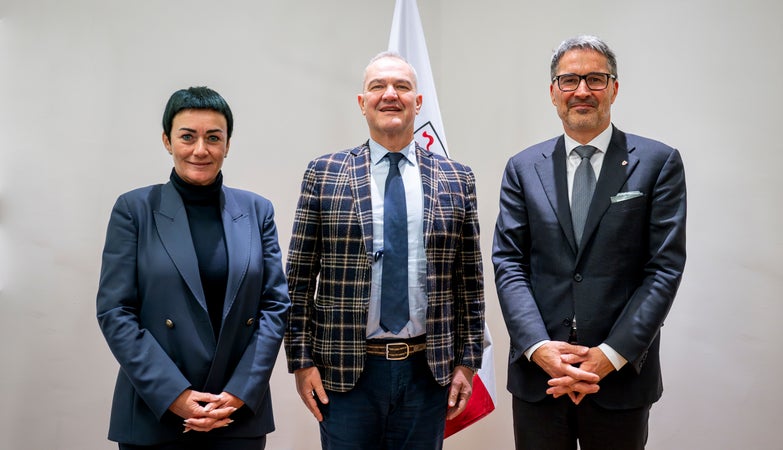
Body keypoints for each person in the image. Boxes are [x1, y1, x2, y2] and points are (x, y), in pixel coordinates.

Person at [493, 35, 687, 450]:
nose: (582, 90)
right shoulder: (523, 168)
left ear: (614, 88)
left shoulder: (657, 163)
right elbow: (509, 264)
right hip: (540, 377)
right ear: (553, 93)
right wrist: (539, 348)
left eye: (595, 79)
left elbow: (663, 269)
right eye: (569, 80)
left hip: (619, 378)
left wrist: (610, 355)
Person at [284, 52, 485, 450]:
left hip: (428, 372)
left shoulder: (456, 178)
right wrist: (301, 360)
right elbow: (298, 279)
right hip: (344, 374)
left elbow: (470, 283)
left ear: (418, 102)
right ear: (363, 103)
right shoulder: (324, 174)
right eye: (378, 86)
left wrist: (468, 361)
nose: (390, 94)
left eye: (402, 87)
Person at [96, 86, 290, 450]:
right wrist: (175, 394)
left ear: (227, 145)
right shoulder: (134, 210)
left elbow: (275, 307)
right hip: (155, 412)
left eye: (213, 138)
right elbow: (115, 311)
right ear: (167, 141)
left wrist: (239, 392)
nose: (201, 149)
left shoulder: (257, 211)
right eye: (188, 136)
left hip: (234, 413)